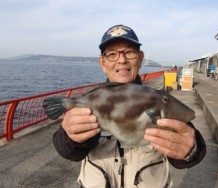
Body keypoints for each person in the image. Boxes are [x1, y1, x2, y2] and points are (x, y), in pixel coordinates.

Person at [53, 24, 206, 188]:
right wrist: (70, 137)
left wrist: (191, 149)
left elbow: (187, 137)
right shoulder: (91, 102)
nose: (121, 59)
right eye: (112, 54)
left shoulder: (156, 99)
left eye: (129, 52)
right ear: (103, 63)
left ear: (140, 58)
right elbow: (68, 150)